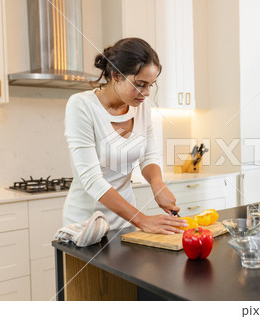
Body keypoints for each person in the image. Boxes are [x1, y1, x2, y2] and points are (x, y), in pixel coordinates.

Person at [63, 38, 187, 234]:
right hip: (87, 226)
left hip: (126, 224)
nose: (146, 93)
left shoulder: (141, 105)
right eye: (140, 84)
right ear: (116, 75)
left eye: (151, 85)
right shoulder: (81, 106)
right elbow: (91, 179)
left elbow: (148, 156)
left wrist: (158, 185)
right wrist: (143, 220)